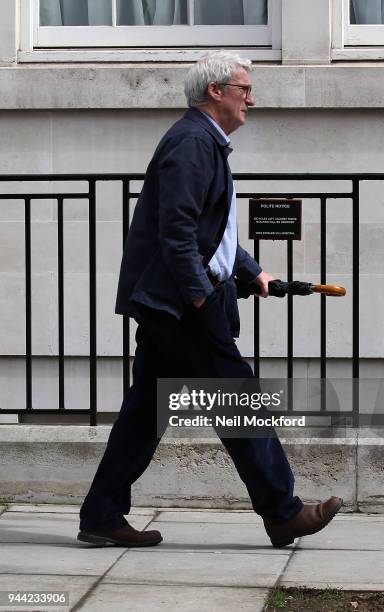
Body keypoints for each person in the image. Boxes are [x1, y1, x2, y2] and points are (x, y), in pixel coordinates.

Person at [78, 51, 342, 549]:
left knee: (145, 413)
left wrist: (251, 271)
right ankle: (283, 513)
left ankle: (101, 514)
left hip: (172, 305)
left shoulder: (203, 143)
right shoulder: (193, 144)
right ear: (216, 91)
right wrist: (202, 297)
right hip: (183, 307)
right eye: (245, 89)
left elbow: (209, 231)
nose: (252, 99)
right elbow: (175, 233)